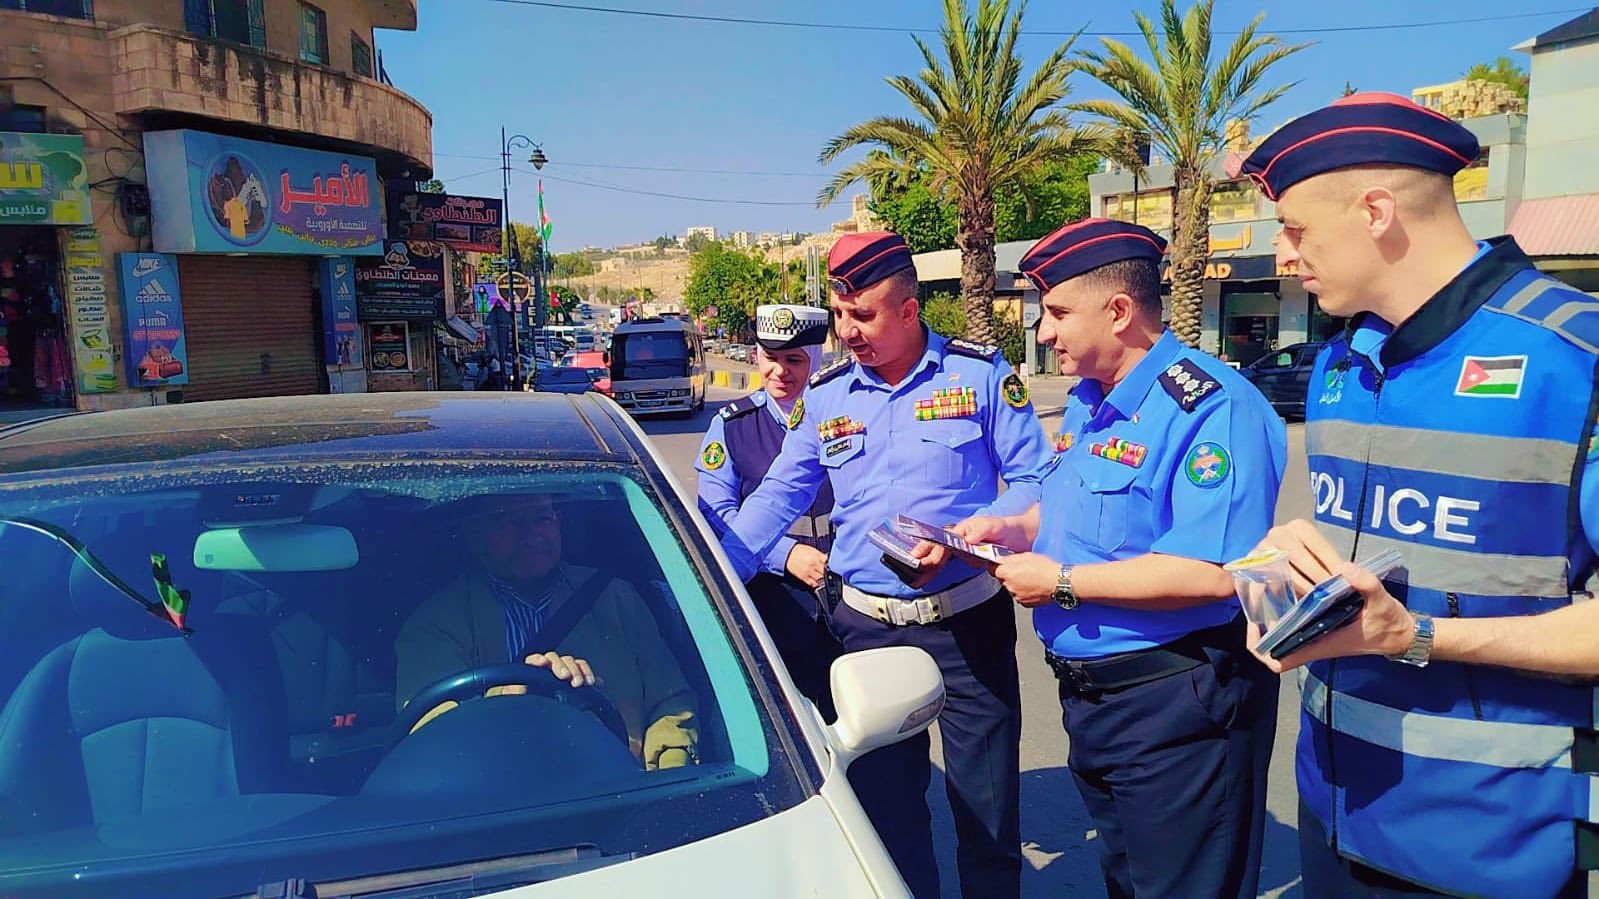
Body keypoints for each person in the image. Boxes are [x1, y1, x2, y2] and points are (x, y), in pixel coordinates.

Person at [1224, 91, 1599, 899]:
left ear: (1374, 211)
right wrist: (1288, 564)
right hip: (1333, 815)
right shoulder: (1339, 364)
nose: (1283, 254)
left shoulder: (1576, 357)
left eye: (1294, 228)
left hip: (1495, 846)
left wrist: (1418, 634)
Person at [951, 219, 1286, 898]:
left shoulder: (1209, 407)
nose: (1043, 331)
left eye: (1057, 312)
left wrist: (1061, 584)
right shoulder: (1090, 400)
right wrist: (1012, 527)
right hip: (1096, 701)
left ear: (1119, 310)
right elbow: (1076, 509)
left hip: (1178, 699)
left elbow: (1212, 573)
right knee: (1129, 882)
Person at [718, 231, 1053, 899]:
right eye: (840, 314)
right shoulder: (828, 393)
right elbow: (780, 493)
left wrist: (968, 537)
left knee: (987, 817)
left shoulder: (980, 375)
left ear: (908, 310)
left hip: (966, 628)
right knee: (888, 817)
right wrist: (719, 575)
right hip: (866, 632)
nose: (846, 332)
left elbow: (1035, 478)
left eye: (863, 316)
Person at [395, 492, 699, 770]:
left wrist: (666, 775)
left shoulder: (617, 598)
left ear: (560, 521)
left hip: (622, 792)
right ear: (474, 532)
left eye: (542, 518)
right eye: (508, 520)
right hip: (499, 801)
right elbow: (431, 735)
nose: (531, 535)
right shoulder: (435, 622)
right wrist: (511, 698)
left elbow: (672, 702)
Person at [696, 303, 844, 719]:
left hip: (850, 597)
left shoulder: (845, 416)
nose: (780, 371)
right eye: (770, 358)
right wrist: (786, 555)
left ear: (816, 357)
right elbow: (715, 514)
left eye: (794, 360)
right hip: (774, 601)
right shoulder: (732, 425)